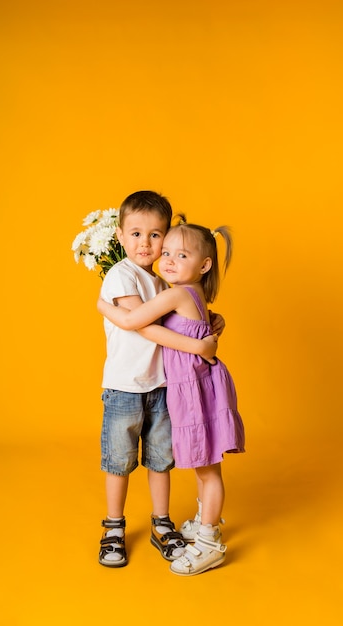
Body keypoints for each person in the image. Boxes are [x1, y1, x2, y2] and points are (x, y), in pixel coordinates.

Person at [98, 214, 245, 576]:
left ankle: (209, 542)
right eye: (167, 253)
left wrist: (102, 304)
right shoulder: (182, 291)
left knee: (207, 468)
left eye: (181, 255)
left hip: (196, 390)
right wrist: (204, 338)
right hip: (194, 386)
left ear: (204, 264)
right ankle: (204, 521)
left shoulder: (176, 292)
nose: (168, 260)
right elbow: (190, 324)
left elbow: (136, 323)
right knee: (202, 463)